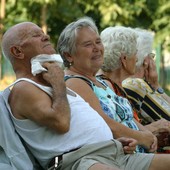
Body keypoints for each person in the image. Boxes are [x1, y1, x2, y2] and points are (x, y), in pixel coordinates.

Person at [1, 21, 159, 170]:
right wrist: (58, 83)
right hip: (81, 161)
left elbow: (80, 128)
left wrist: (111, 143)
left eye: (43, 33)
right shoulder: (24, 88)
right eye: (36, 35)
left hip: (112, 150)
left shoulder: (52, 85)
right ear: (17, 51)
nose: (46, 37)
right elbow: (62, 123)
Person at [57, 16, 158, 154]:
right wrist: (142, 138)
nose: (96, 48)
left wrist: (148, 134)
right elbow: (104, 123)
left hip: (135, 154)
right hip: (116, 158)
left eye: (98, 42)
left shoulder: (103, 83)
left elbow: (128, 119)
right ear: (68, 55)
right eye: (88, 44)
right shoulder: (75, 82)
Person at [98, 26, 170, 149]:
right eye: (135, 53)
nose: (137, 59)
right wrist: (152, 131)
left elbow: (130, 126)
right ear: (124, 59)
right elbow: (117, 132)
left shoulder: (115, 88)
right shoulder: (112, 88)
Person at [122, 28, 170, 124]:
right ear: (145, 61)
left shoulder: (130, 83)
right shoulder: (135, 84)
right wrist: (156, 86)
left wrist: (155, 86)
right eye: (151, 55)